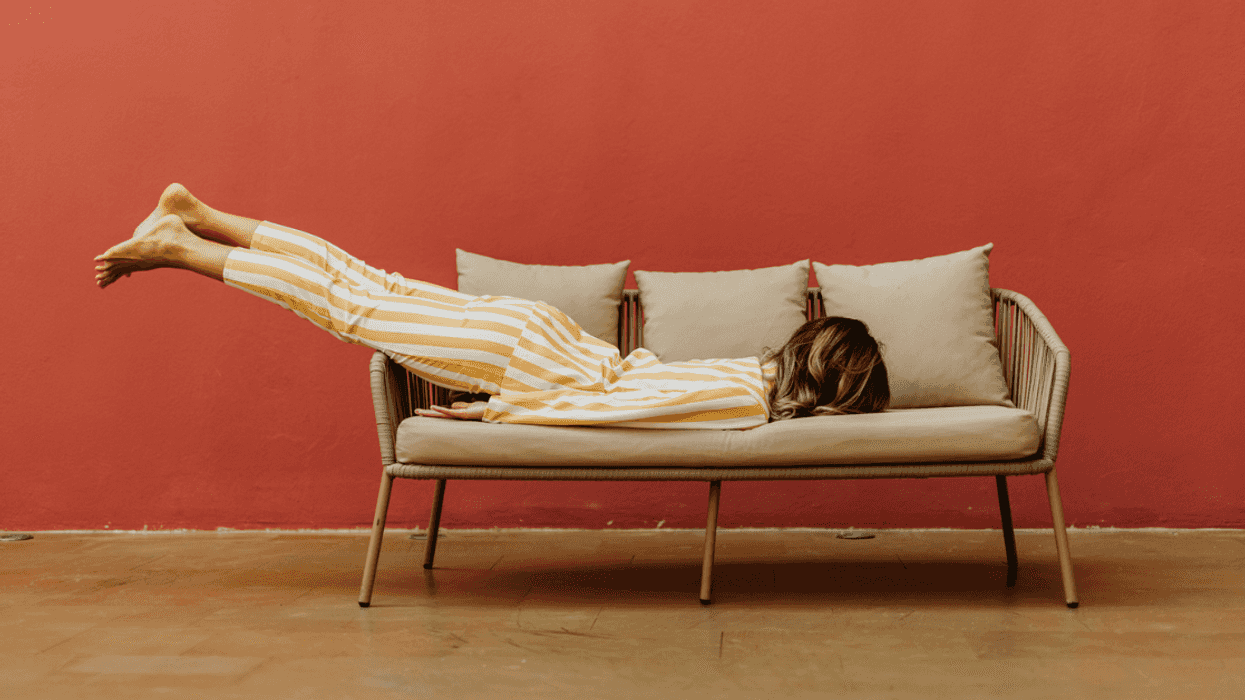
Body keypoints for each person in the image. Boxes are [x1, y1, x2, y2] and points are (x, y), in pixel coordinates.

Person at [94, 184, 889, 429]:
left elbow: (625, 385)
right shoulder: (748, 401)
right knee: (348, 309)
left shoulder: (752, 370)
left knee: (369, 285)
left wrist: (490, 407)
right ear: (836, 388)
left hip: (541, 335)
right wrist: (492, 415)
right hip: (524, 361)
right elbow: (620, 410)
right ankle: (181, 247)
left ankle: (198, 214)